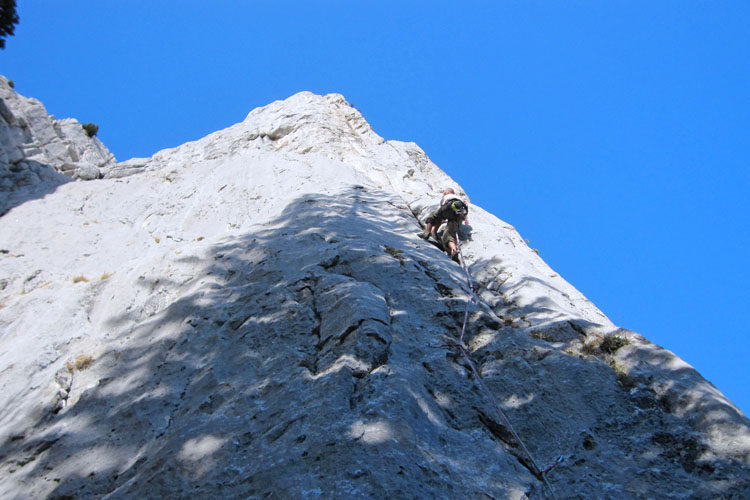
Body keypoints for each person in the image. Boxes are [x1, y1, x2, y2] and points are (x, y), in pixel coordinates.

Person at [418, 188, 469, 258]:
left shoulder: (446, 197)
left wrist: (435, 231)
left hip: (447, 208)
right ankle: (454, 250)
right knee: (449, 235)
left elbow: (439, 217)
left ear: (445, 194)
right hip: (458, 214)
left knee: (433, 217)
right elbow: (464, 213)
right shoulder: (459, 199)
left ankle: (427, 233)